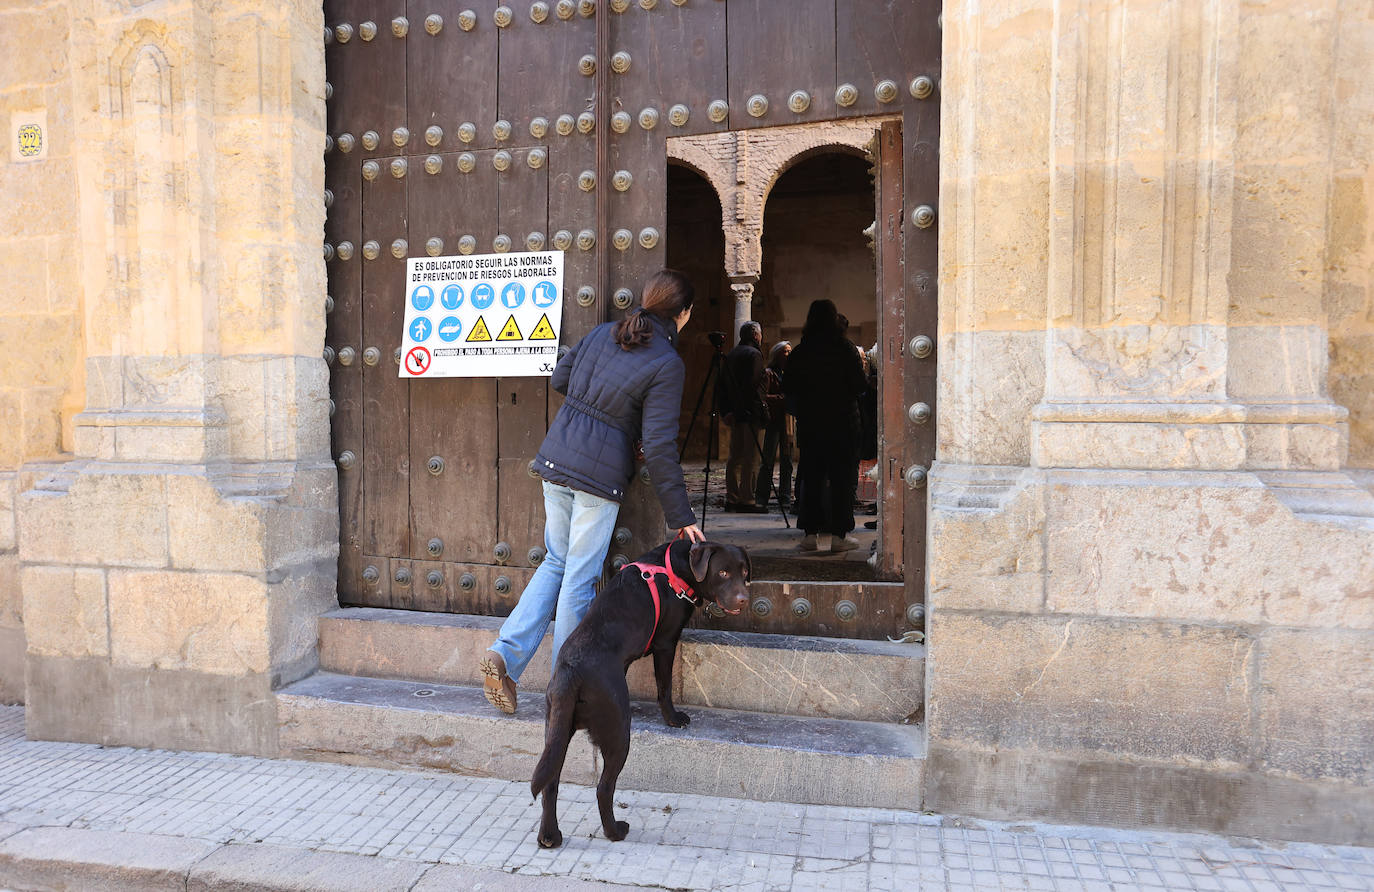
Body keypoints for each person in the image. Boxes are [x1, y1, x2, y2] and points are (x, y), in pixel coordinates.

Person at [480, 269, 705, 715]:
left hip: (556, 459)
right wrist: (682, 517)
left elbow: (561, 379)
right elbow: (660, 446)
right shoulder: (666, 361)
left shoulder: (606, 332)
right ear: (683, 314)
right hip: (597, 479)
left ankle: (504, 655)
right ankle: (565, 689)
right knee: (579, 576)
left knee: (556, 563)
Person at [783, 299, 867, 553]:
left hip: (812, 425)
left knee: (812, 476)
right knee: (842, 479)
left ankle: (810, 534)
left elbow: (789, 388)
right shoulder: (846, 349)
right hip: (843, 423)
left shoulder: (801, 351)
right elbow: (859, 386)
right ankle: (839, 535)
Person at [718, 321, 768, 513]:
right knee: (751, 457)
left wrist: (727, 411)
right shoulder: (754, 354)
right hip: (750, 413)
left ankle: (732, 498)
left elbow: (721, 386)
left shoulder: (730, 354)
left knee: (735, 456)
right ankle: (747, 499)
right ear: (756, 335)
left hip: (735, 414)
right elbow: (751, 385)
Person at [753, 340, 793, 510]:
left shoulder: (790, 374)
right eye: (785, 351)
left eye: (790, 351)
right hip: (774, 420)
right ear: (777, 354)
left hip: (788, 421)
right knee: (768, 459)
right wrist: (782, 399)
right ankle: (762, 496)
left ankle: (784, 496)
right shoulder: (769, 373)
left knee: (787, 461)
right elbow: (763, 396)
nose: (789, 354)